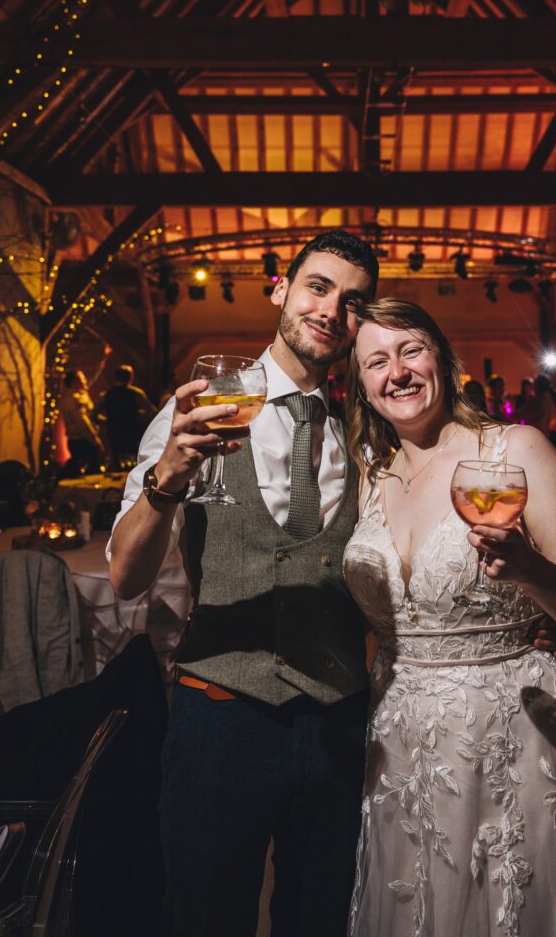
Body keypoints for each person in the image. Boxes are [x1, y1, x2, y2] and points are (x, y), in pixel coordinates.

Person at [343, 299, 556, 937]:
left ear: (444, 359)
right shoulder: (365, 473)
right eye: (376, 361)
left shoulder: (515, 450)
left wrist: (531, 571)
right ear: (360, 385)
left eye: (411, 350)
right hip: (398, 741)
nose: (398, 372)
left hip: (512, 731)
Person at [107, 231, 380, 937]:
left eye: (352, 302)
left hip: (336, 719)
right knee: (203, 917)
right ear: (280, 290)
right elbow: (125, 576)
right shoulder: (192, 412)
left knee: (322, 918)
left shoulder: (369, 431)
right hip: (219, 719)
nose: (330, 310)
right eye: (317, 286)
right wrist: (167, 480)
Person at [59, 346, 111, 476]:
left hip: (80, 439)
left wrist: (103, 360)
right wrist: (95, 439)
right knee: (92, 470)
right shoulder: (75, 398)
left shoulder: (79, 394)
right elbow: (83, 421)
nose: (85, 380)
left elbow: (94, 375)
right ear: (75, 381)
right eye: (82, 378)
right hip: (81, 440)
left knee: (84, 469)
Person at [99, 364, 156, 469]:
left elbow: (93, 415)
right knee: (135, 469)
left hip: (114, 437)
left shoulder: (106, 395)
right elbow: (152, 414)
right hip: (133, 436)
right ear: (130, 377)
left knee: (116, 469)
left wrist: (108, 420)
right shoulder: (136, 393)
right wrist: (140, 416)